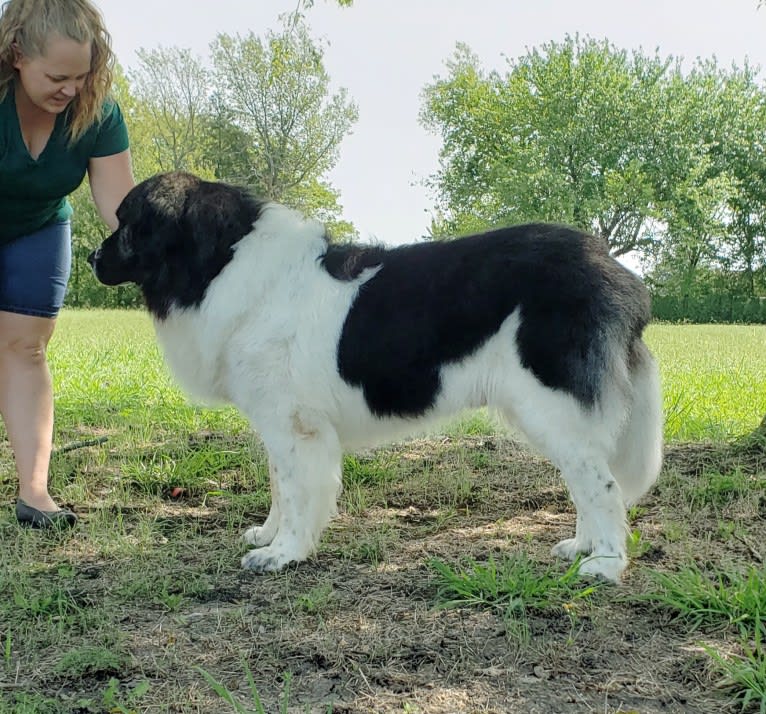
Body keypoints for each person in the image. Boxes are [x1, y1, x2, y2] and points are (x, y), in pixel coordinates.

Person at [0, 0, 134, 527]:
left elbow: (123, 211)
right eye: (57, 76)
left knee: (26, 348)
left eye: (81, 76)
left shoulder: (96, 114)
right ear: (16, 55)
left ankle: (34, 494)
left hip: (39, 226)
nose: (70, 89)